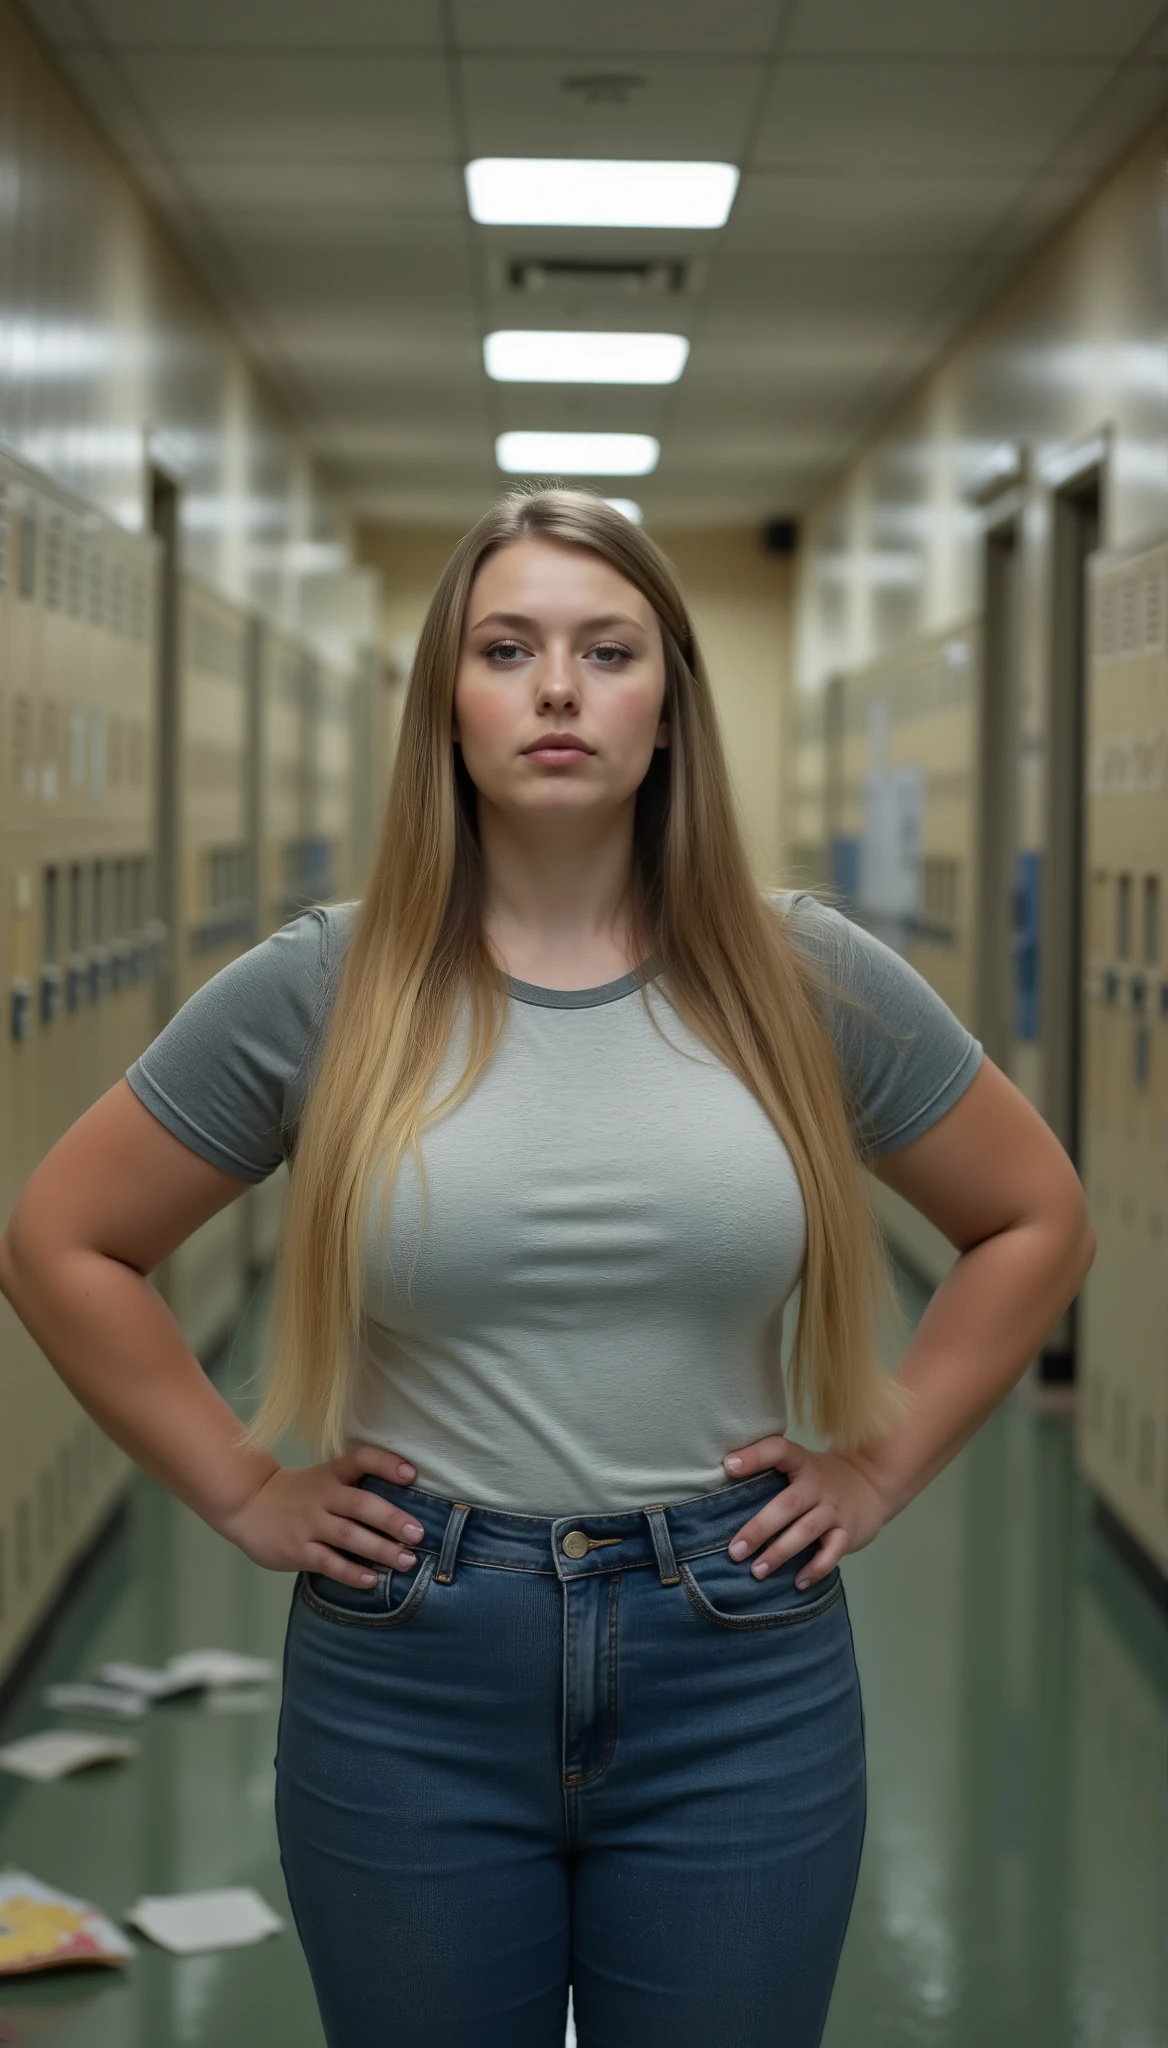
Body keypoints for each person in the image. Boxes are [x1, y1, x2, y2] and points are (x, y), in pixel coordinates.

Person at [0, 490, 1093, 2048]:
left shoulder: (806, 978)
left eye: (609, 649)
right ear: (448, 707)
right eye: (506, 649)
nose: (560, 688)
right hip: (410, 1665)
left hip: (739, 1656)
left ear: (672, 710)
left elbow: (1036, 1215)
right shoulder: (328, 984)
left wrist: (880, 1468)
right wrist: (245, 1491)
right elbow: (61, 1236)